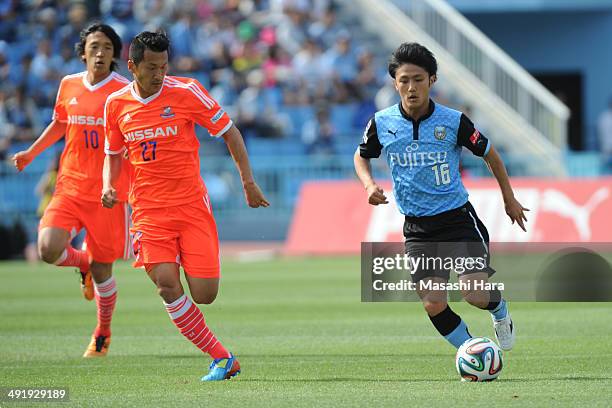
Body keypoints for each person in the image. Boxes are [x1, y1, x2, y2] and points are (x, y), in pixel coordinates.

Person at [102, 31, 269, 382]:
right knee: (165, 282)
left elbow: (230, 131)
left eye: (164, 66)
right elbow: (112, 155)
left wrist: (247, 181)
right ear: (132, 66)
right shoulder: (116, 104)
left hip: (191, 206)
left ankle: (219, 354)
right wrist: (107, 185)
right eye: (151, 67)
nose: (159, 74)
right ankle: (222, 358)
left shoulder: (187, 91)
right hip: (148, 212)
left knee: (205, 294)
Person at [354, 43, 527, 352]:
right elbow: (361, 156)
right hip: (418, 229)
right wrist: (369, 185)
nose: (411, 87)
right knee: (433, 304)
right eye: (404, 80)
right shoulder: (381, 123)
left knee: (473, 293)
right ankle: (473, 351)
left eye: (418, 79)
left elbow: (490, 155)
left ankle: (500, 311)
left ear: (432, 80)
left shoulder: (453, 121)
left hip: (458, 221)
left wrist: (509, 199)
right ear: (395, 82)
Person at [12, 23, 131, 358]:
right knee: (48, 248)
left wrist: (132, 186)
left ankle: (102, 333)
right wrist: (31, 152)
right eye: (94, 46)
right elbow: (61, 124)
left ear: (114, 55)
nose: (100, 53)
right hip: (71, 185)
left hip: (109, 194)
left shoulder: (123, 91)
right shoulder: (68, 84)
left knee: (104, 269)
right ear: (83, 53)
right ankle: (82, 264)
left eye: (107, 47)